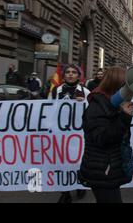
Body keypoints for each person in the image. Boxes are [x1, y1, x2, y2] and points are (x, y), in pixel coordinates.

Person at [78, 67, 133, 203]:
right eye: (124, 85)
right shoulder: (97, 106)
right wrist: (124, 117)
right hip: (101, 170)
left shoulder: (111, 103)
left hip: (107, 169)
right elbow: (103, 138)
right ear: (115, 84)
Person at [49, 64, 90, 203]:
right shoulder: (56, 90)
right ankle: (65, 192)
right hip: (61, 134)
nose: (71, 74)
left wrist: (83, 102)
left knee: (78, 161)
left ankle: (80, 185)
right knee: (62, 162)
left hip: (79, 134)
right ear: (64, 75)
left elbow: (91, 111)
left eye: (74, 72)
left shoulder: (85, 91)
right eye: (68, 72)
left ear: (78, 76)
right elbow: (48, 109)